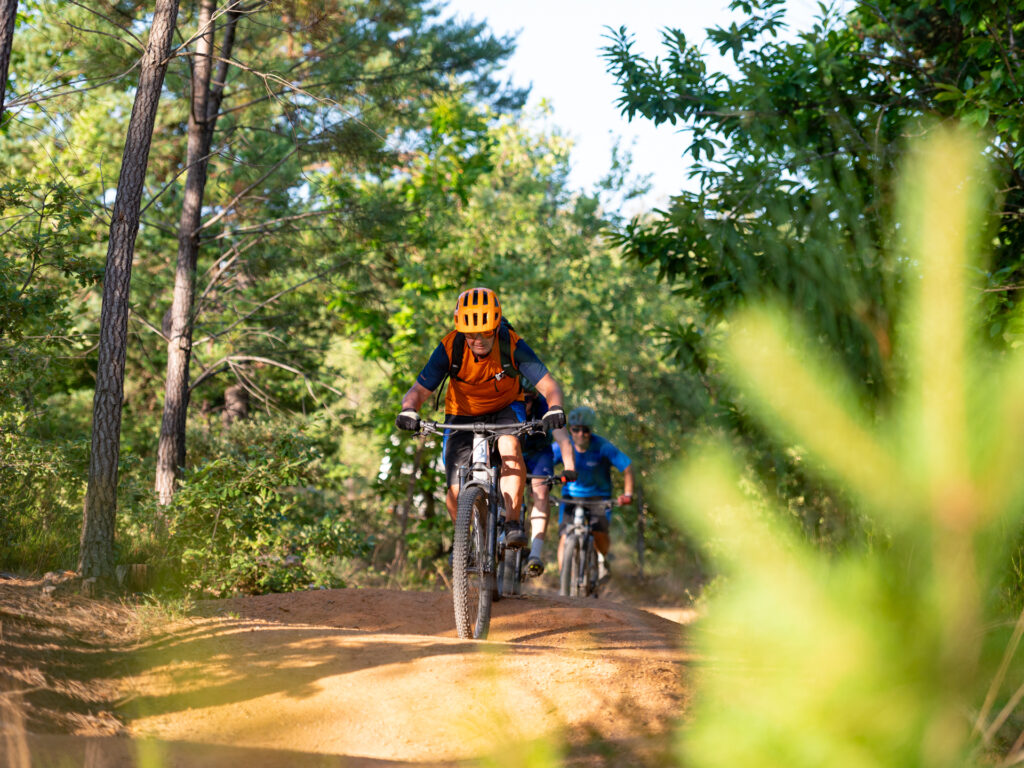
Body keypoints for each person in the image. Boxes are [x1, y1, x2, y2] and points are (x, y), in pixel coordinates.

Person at [395, 287, 568, 549]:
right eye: (470, 334)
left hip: (505, 407)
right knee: (454, 489)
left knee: (510, 446)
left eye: (485, 332)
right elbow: (418, 391)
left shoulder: (511, 344)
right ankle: (464, 546)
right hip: (461, 412)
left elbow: (549, 385)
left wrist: (554, 408)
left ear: (496, 326)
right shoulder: (450, 347)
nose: (478, 340)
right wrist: (409, 410)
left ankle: (512, 523)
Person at [552, 405, 635, 582]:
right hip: (571, 498)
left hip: (599, 498)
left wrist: (628, 494)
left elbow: (627, 466)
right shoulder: (563, 446)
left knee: (599, 533)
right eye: (576, 430)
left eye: (586, 430)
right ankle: (564, 581)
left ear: (591, 430)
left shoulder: (603, 446)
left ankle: (602, 560)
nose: (581, 434)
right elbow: (545, 464)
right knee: (565, 536)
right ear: (570, 430)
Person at [520, 383, 576, 577]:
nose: (524, 404)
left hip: (539, 454)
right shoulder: (508, 402)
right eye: (520, 399)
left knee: (541, 493)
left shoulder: (544, 407)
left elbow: (563, 439)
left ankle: (535, 554)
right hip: (514, 451)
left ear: (535, 397)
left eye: (528, 399)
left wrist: (569, 467)